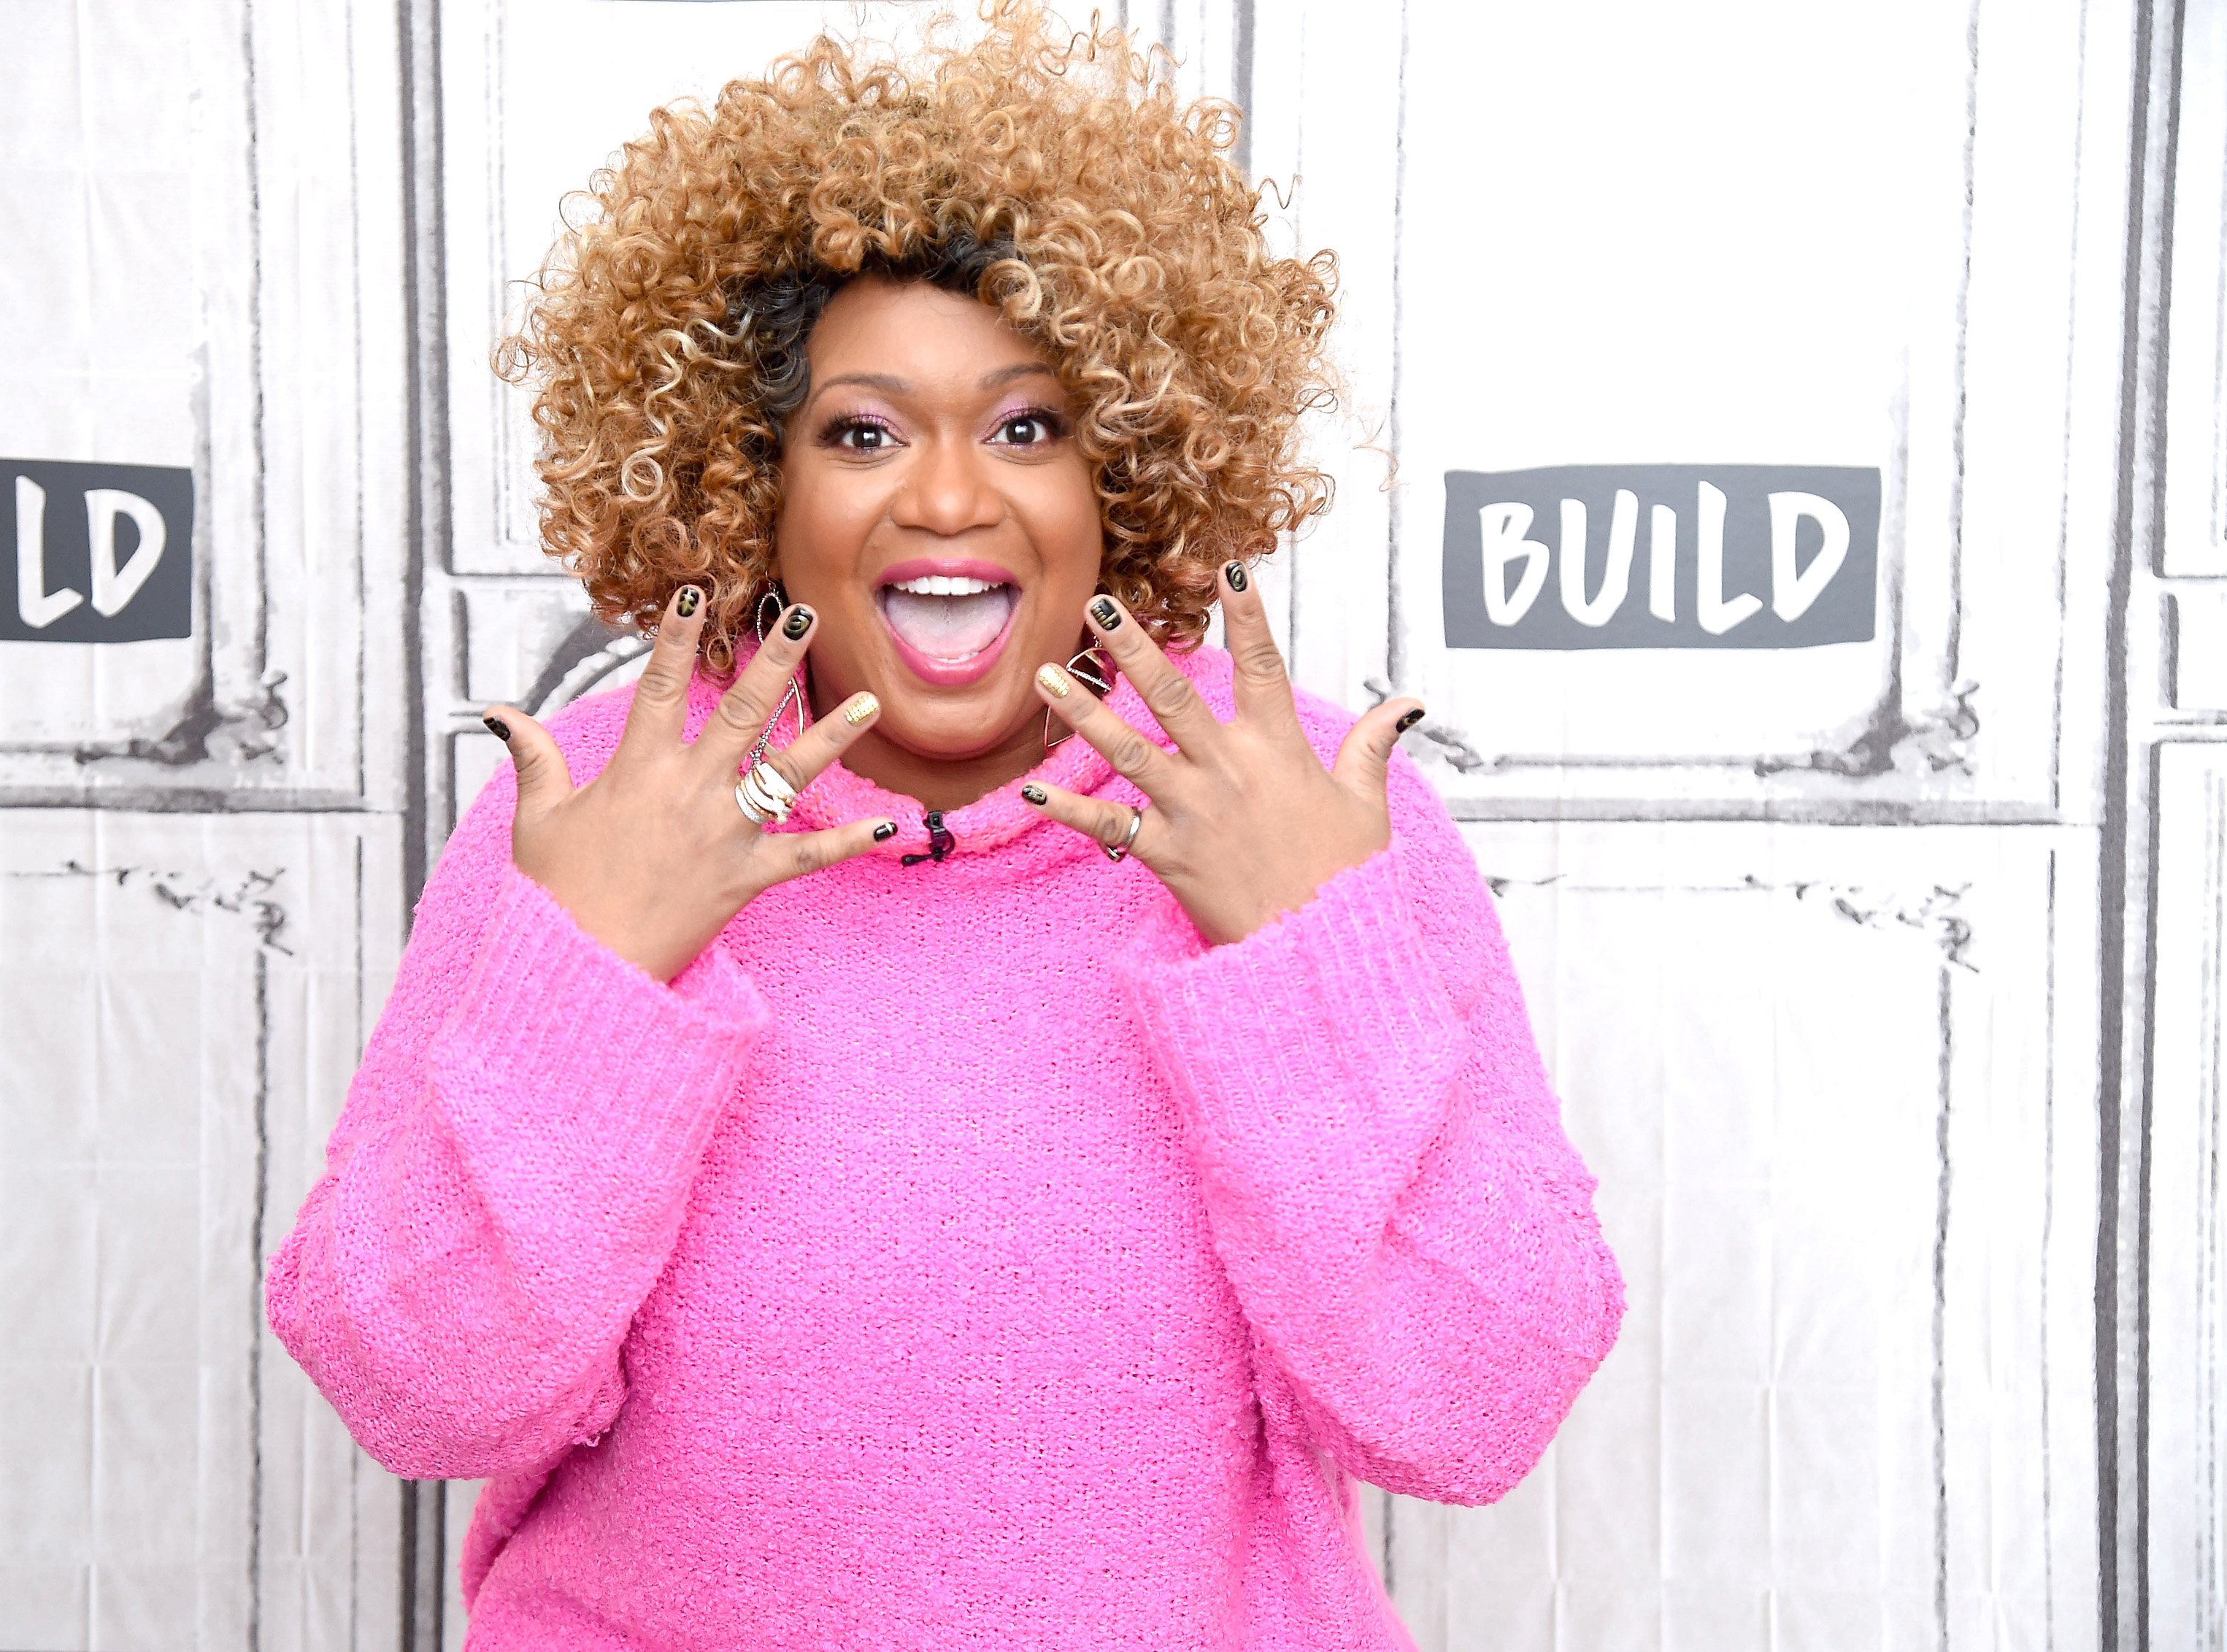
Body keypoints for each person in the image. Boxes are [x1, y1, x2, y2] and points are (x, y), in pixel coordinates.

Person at [267, 6, 1623, 1645]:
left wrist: (1300, 958)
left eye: (1027, 425)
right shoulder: (603, 804)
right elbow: (418, 1396)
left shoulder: (1302, 799)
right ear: (752, 482)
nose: (949, 499)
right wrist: (596, 976)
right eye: (861, 431)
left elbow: (1471, 1414)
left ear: (1124, 473)